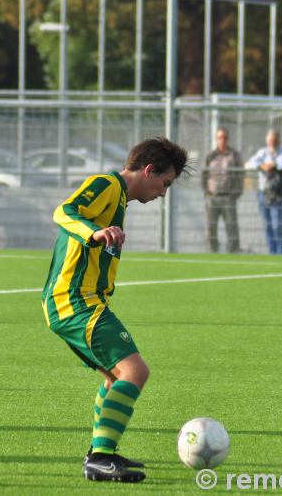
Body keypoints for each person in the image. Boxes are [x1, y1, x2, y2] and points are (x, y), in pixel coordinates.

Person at [42, 137, 188, 483]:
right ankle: (100, 456)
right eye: (165, 183)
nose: (163, 193)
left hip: (82, 301)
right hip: (74, 301)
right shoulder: (106, 184)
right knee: (135, 371)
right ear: (149, 170)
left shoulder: (119, 198)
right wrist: (94, 233)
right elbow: (63, 212)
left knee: (114, 377)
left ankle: (99, 452)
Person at [246, 129, 282, 254]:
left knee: (277, 225)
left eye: (274, 140)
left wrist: (274, 164)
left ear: (279, 140)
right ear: (267, 141)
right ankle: (272, 252)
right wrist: (262, 166)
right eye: (270, 140)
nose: (272, 142)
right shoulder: (262, 152)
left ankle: (281, 252)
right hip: (263, 193)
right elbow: (249, 164)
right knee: (267, 225)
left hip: (278, 194)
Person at [201, 128, 243, 253]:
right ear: (216, 139)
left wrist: (237, 192)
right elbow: (204, 174)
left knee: (231, 226)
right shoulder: (210, 155)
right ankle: (212, 251)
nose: (222, 140)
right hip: (212, 197)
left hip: (228, 197)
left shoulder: (234, 155)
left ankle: (233, 252)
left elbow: (241, 175)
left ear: (228, 139)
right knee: (211, 227)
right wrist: (206, 191)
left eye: (224, 137)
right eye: (220, 137)